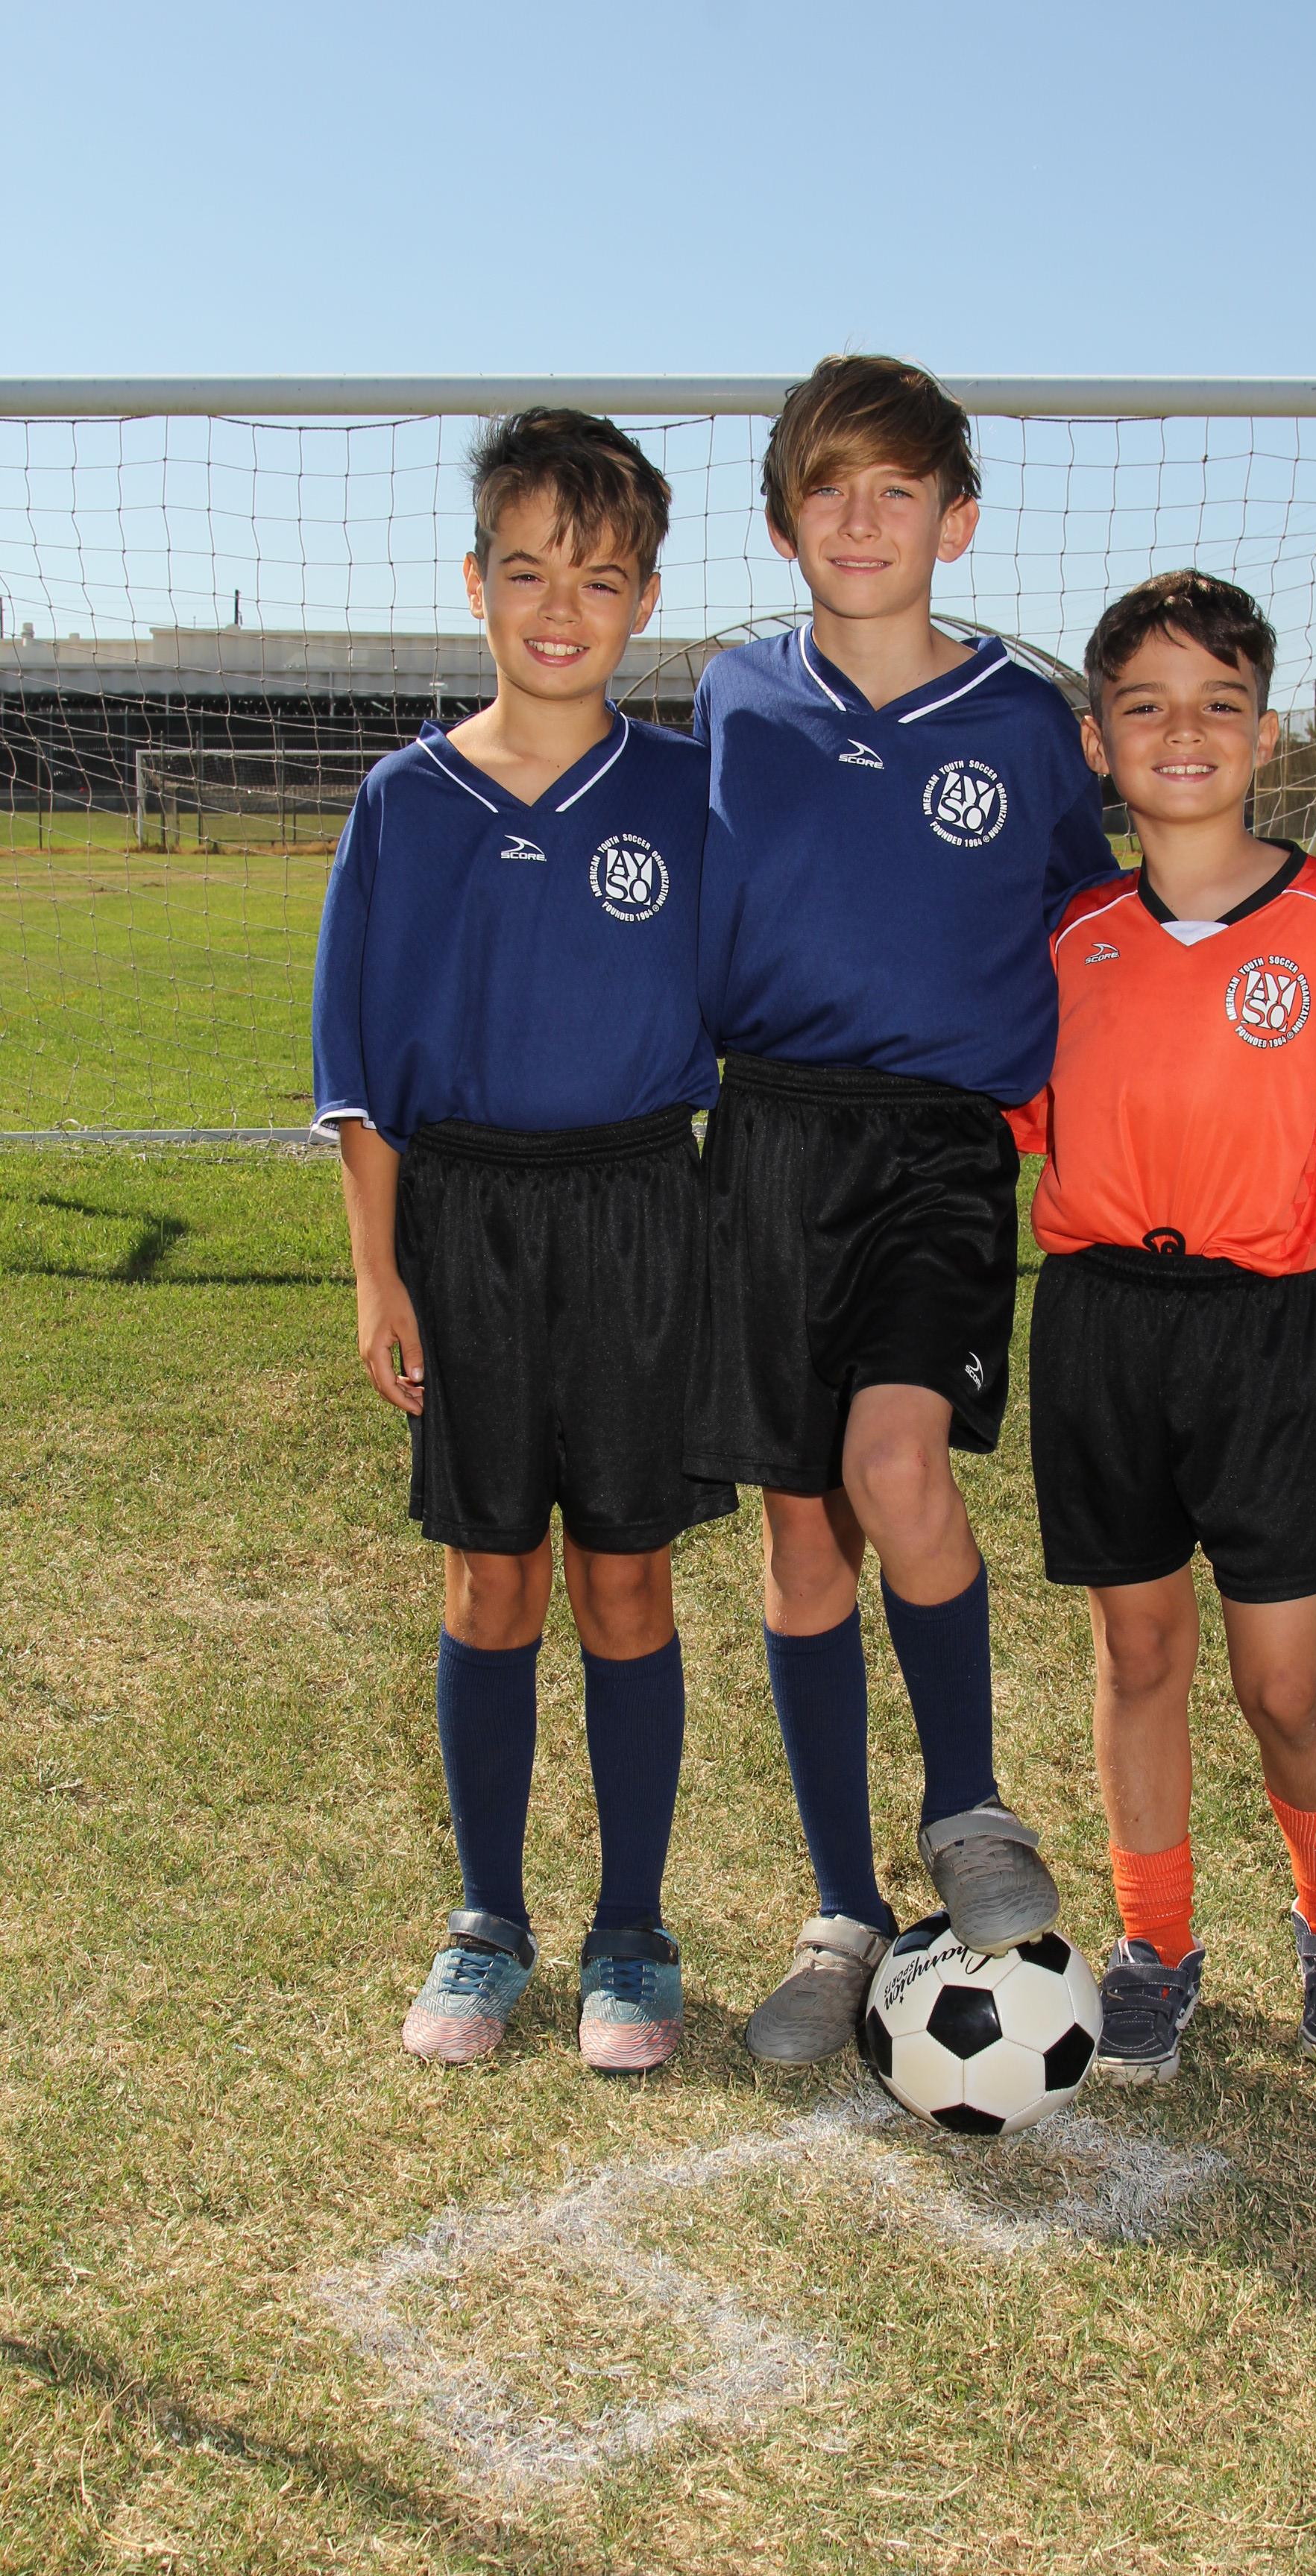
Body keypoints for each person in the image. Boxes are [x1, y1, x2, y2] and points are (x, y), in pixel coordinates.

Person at [689, 360, 1316, 2065]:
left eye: (897, 488)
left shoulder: (1022, 721)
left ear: (957, 520)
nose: (861, 519)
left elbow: (1136, 936)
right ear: (783, 521)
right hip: (768, 1145)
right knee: (803, 1543)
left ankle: (972, 1811)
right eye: (826, 487)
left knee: (896, 1469)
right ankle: (841, 1916)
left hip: (939, 1156)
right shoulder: (732, 694)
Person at [311, 408, 733, 2076]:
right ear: (474, 580)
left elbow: (826, 958)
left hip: (641, 1209)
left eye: (603, 578)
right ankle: (490, 1917)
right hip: (465, 1218)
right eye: (532, 570)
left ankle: (633, 1927)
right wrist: (378, 1269)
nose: (564, 608)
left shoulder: (692, 795)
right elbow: (359, 1071)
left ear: (646, 603)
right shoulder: (403, 802)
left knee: (626, 1576)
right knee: (494, 1577)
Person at [1024, 569, 1316, 2077]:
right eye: (1145, 706)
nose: (1181, 732)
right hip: (1099, 1327)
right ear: (1098, 741)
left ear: (1263, 731)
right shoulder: (1070, 933)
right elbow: (1002, 1109)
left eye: (1218, 704)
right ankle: (1156, 1944)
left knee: (1283, 1682)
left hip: (1266, 1335)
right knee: (1139, 1656)